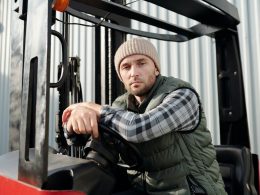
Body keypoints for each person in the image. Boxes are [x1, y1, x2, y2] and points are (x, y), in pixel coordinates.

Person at [62, 38, 227, 195]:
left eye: (141, 63)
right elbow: (104, 137)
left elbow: (138, 129)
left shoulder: (182, 95)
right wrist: (76, 124)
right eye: (126, 67)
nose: (134, 73)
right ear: (120, 76)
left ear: (156, 68)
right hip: (146, 189)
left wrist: (93, 107)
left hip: (191, 190)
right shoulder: (121, 105)